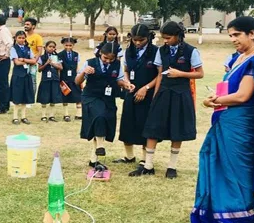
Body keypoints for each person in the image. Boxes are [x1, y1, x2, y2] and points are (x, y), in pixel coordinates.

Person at [193, 16, 254, 223]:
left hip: (242, 123)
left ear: (251, 34)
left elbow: (243, 96)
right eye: (230, 35)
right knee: (219, 165)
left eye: (237, 35)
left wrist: (215, 101)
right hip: (228, 119)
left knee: (237, 171)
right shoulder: (242, 56)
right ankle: (219, 215)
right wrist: (218, 99)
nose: (233, 39)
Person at [129, 21, 204, 179]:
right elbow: (159, 75)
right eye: (164, 38)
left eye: (169, 38)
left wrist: (181, 74)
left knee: (177, 130)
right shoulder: (161, 51)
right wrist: (155, 96)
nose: (166, 41)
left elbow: (200, 73)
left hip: (181, 94)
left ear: (178, 36)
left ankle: (172, 166)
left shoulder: (191, 51)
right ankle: (148, 165)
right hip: (163, 92)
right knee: (152, 128)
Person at [76, 42, 132, 179]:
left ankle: (94, 160)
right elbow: (77, 81)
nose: (107, 61)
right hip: (91, 97)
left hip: (108, 97)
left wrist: (126, 84)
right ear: (100, 53)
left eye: (111, 59)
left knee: (103, 122)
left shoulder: (117, 65)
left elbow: (118, 80)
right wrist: (84, 72)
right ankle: (100, 147)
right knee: (99, 116)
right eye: (105, 58)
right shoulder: (90, 63)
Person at [116, 24, 159, 164]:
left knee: (144, 125)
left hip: (148, 93)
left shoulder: (156, 52)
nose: (138, 42)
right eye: (135, 40)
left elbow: (160, 75)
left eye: (141, 40)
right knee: (127, 123)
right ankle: (129, 156)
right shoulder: (129, 51)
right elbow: (126, 69)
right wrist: (127, 82)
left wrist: (145, 88)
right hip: (131, 92)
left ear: (148, 37)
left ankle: (144, 158)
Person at [9, 31, 36, 124]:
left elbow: (34, 61)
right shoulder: (13, 49)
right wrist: (28, 61)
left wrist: (24, 59)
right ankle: (15, 117)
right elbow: (17, 62)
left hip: (27, 75)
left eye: (23, 38)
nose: (21, 39)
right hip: (18, 75)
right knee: (17, 96)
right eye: (19, 38)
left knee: (25, 96)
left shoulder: (28, 48)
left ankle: (24, 117)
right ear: (15, 38)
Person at [37, 40, 63, 122]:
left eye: (53, 47)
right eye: (50, 46)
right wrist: (46, 63)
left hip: (55, 79)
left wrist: (53, 64)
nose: (52, 48)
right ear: (45, 47)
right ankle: (43, 115)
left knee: (53, 97)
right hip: (45, 80)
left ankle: (52, 115)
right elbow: (39, 69)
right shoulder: (41, 57)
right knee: (44, 97)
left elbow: (61, 67)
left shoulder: (57, 56)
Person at [58, 37, 82, 122]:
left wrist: (79, 76)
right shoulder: (60, 55)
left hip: (74, 78)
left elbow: (77, 67)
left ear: (73, 45)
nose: (68, 47)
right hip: (64, 78)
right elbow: (59, 68)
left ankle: (79, 114)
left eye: (70, 45)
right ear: (63, 45)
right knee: (65, 96)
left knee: (78, 95)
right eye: (66, 45)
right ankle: (66, 114)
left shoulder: (76, 54)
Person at [24, 18, 43, 98]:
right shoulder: (22, 36)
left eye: (28, 24)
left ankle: (31, 99)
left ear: (33, 26)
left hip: (33, 62)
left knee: (32, 80)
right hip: (23, 62)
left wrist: (35, 60)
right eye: (25, 24)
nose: (25, 26)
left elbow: (39, 51)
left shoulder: (37, 37)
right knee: (22, 80)